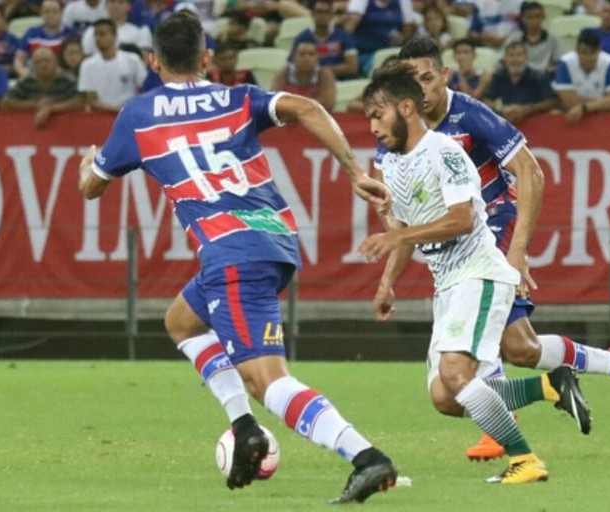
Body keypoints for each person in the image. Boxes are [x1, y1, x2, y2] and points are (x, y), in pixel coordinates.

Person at [76, 11, 397, 504]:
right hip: (271, 240)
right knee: (181, 321)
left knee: (269, 382)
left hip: (233, 254)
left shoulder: (138, 116)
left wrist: (87, 166)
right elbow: (309, 107)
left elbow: (92, 187)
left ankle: (366, 457)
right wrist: (353, 169)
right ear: (206, 58)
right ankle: (244, 427)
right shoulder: (237, 98)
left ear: (152, 61)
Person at [389, 36, 610, 462]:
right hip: (452, 247)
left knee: (479, 355)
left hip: (491, 227)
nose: (421, 89)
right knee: (522, 348)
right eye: (411, 82)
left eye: (428, 78)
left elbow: (529, 172)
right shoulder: (402, 132)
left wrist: (516, 251)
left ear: (444, 75)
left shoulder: (468, 114)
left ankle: (504, 429)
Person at [359, 62, 591, 485]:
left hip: (478, 272)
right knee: (445, 397)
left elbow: (462, 219)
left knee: (455, 373)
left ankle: (525, 460)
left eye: (378, 114)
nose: (372, 126)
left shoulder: (445, 151)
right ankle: (548, 387)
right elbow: (410, 232)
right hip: (446, 284)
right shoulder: (392, 164)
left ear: (406, 107)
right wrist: (387, 281)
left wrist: (397, 235)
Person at [553, 29, 610, 123]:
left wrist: (584, 108)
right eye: (584, 52)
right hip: (572, 116)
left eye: (592, 53)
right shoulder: (565, 62)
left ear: (599, 50)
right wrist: (603, 103)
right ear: (576, 50)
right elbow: (568, 101)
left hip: (603, 118)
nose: (588, 57)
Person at [1, 46, 82, 127]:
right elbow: (6, 103)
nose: (43, 65)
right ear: (33, 65)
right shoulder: (27, 80)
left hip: (66, 125)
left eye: (47, 61)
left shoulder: (67, 79)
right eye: (38, 62)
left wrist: (50, 109)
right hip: (30, 127)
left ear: (55, 62)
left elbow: (80, 102)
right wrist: (34, 105)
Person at [78, 19, 147, 112]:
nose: (97, 38)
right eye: (95, 35)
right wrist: (116, 110)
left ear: (114, 36)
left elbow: (145, 88)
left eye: (102, 34)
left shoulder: (133, 60)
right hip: (101, 115)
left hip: (130, 112)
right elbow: (91, 99)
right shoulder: (87, 65)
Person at [483, 40, 558, 121]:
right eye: (511, 55)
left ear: (526, 57)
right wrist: (499, 110)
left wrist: (527, 109)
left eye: (519, 55)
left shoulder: (538, 77)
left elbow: (553, 102)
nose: (515, 59)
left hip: (534, 120)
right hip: (508, 119)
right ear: (505, 58)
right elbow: (488, 99)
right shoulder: (499, 76)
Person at [343, 0, 417, 75]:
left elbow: (408, 29)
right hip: (366, 53)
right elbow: (348, 30)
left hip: (391, 52)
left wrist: (401, 38)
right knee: (383, 70)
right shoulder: (361, 2)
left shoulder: (403, 1)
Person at [291, 0, 359, 79]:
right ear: (312, 14)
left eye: (327, 12)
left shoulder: (344, 35)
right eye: (319, 12)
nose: (323, 15)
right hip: (311, 84)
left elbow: (352, 67)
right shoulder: (302, 38)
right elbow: (293, 67)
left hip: (340, 82)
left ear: (332, 15)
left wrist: (319, 70)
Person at [13, 0, 78, 78]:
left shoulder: (71, 35)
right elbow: (18, 60)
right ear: (41, 14)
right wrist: (26, 75)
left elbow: (74, 62)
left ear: (61, 13)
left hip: (61, 79)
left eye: (54, 12)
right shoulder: (31, 33)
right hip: (33, 76)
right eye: (46, 12)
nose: (50, 15)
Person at [502, 1, 563, 77]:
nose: (534, 21)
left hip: (543, 78)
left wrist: (548, 70)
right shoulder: (514, 39)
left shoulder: (554, 40)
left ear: (543, 17)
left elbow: (559, 64)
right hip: (518, 77)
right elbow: (503, 60)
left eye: (537, 16)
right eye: (529, 17)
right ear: (523, 19)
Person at [272, 40, 336, 111]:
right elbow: (274, 101)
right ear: (293, 57)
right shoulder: (284, 73)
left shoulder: (325, 74)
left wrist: (293, 105)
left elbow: (328, 103)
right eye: (302, 54)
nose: (306, 58)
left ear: (317, 58)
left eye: (311, 54)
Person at [80, 0, 152, 56]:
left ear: (128, 6)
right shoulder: (92, 32)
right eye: (112, 1)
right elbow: (86, 57)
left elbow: (144, 60)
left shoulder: (140, 32)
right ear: (106, 5)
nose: (115, 6)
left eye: (120, 2)